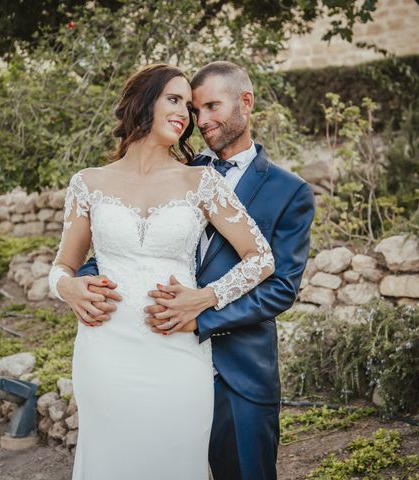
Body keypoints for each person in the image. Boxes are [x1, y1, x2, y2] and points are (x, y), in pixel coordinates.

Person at [75, 61, 315, 479]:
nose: (199, 120)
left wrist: (200, 314)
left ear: (246, 101)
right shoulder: (180, 173)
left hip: (238, 375)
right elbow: (127, 248)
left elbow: (280, 288)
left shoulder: (289, 191)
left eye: (210, 107)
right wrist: (83, 283)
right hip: (149, 357)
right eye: (193, 109)